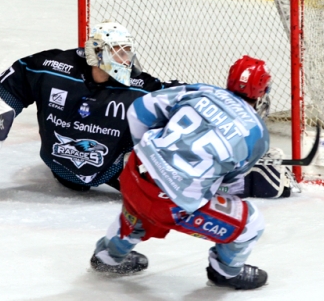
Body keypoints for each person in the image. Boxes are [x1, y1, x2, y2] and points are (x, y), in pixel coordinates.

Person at [90, 56, 273, 290]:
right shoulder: (258, 135)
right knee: (251, 223)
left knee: (139, 209)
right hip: (171, 205)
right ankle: (224, 272)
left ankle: (108, 257)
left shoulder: (201, 91)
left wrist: (152, 157)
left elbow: (138, 111)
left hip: (134, 174)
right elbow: (228, 185)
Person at [0, 21, 184, 191]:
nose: (127, 60)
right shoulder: (53, 69)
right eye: (119, 52)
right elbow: (19, 80)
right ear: (98, 53)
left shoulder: (140, 88)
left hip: (115, 168)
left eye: (128, 51)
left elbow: (172, 97)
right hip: (61, 168)